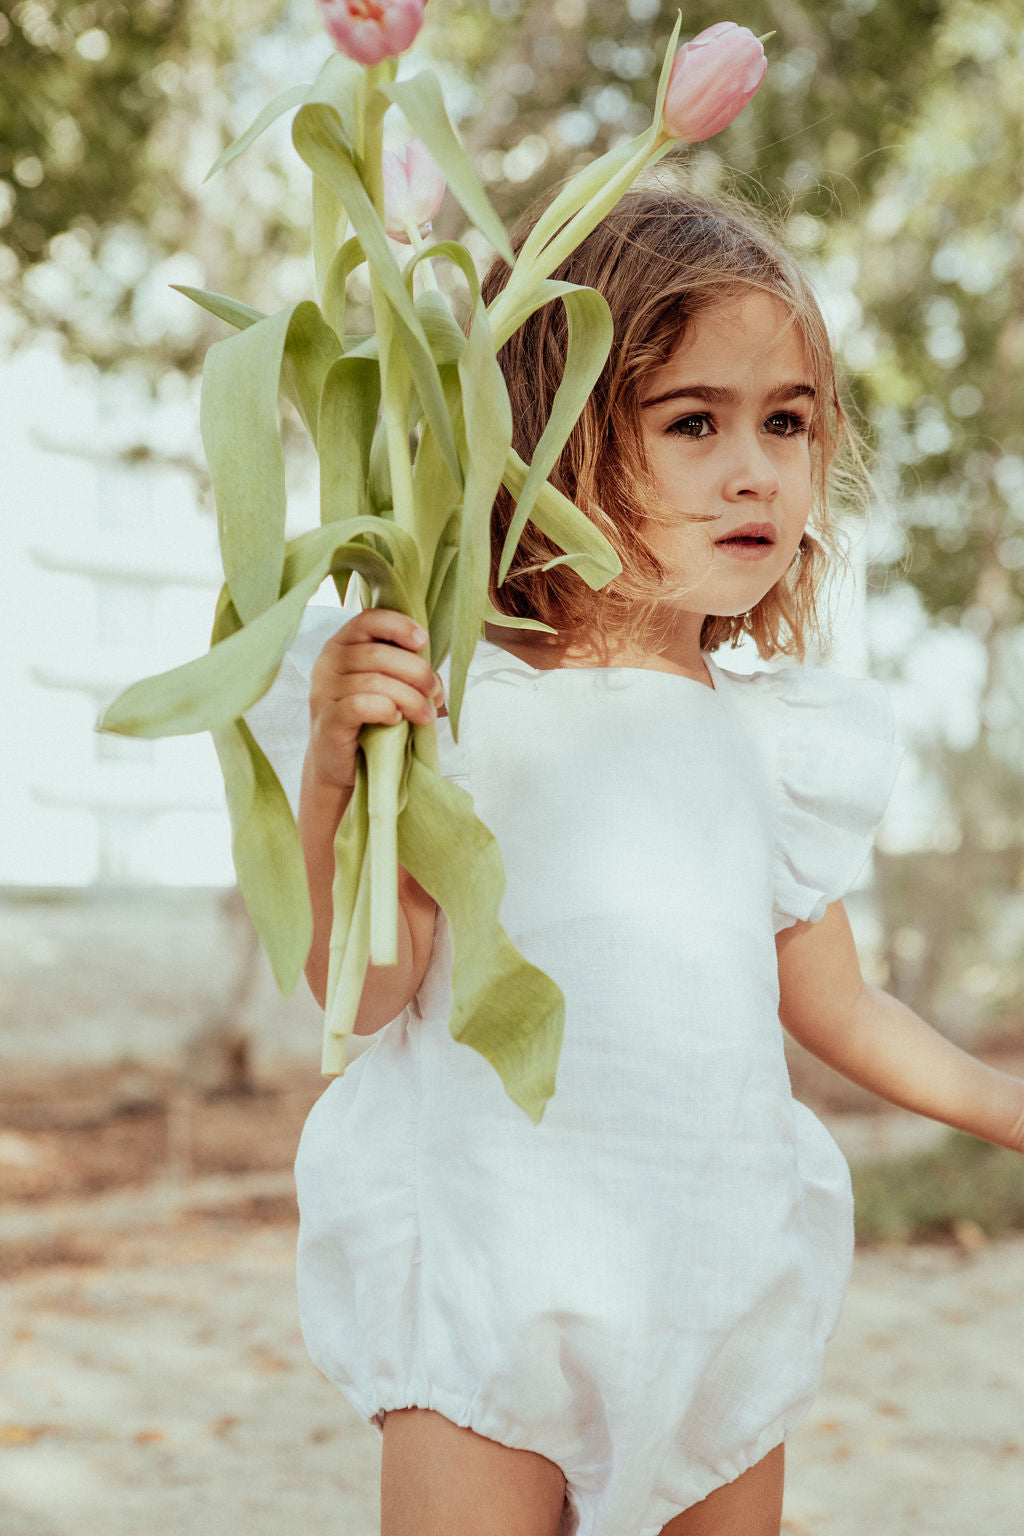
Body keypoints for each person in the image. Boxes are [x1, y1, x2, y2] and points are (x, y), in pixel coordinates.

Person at [243, 182, 1024, 1536]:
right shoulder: (453, 707)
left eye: (787, 422)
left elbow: (833, 1005)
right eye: (692, 422)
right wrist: (334, 780)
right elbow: (365, 993)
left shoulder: (777, 743)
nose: (756, 470)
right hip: (490, 1282)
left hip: (714, 1276)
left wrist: (1007, 1107)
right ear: (545, 440)